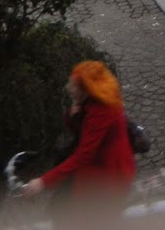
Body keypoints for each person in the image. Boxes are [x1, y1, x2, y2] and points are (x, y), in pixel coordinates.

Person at [19, 60, 136, 221]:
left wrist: (42, 182)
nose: (69, 88)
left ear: (87, 90)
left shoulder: (101, 111)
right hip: (97, 167)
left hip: (107, 175)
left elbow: (84, 155)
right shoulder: (91, 103)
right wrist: (73, 115)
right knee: (61, 208)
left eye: (73, 86)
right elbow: (83, 130)